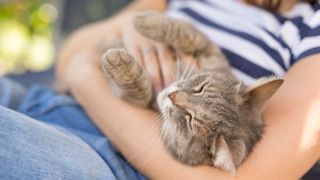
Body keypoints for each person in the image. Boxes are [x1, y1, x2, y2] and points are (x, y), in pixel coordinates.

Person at [1, 0, 320, 179]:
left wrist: (85, 76)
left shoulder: (311, 27)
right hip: (46, 102)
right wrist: (132, 26)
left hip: (113, 162)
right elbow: (70, 54)